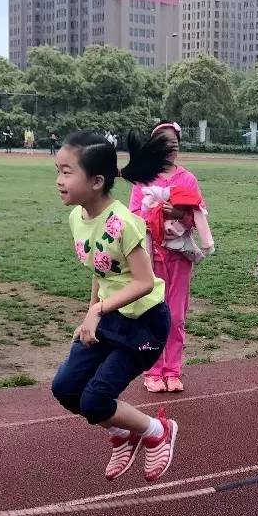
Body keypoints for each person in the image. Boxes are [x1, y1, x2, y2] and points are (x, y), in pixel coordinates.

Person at [50, 130, 180, 482]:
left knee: (95, 401)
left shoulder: (125, 223)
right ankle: (123, 432)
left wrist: (97, 311)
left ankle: (157, 430)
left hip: (144, 324)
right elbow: (100, 268)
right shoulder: (78, 217)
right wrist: (90, 310)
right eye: (57, 171)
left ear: (96, 181)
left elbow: (143, 282)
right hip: (109, 315)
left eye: (66, 172)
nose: (59, 181)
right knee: (65, 389)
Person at [128, 122, 205, 394]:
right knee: (152, 313)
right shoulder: (143, 177)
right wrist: (156, 213)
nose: (170, 147)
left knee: (176, 315)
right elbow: (133, 216)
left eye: (174, 142)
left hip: (180, 257)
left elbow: (197, 217)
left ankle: (172, 370)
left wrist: (177, 215)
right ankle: (152, 370)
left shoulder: (188, 179)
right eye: (163, 142)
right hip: (151, 257)